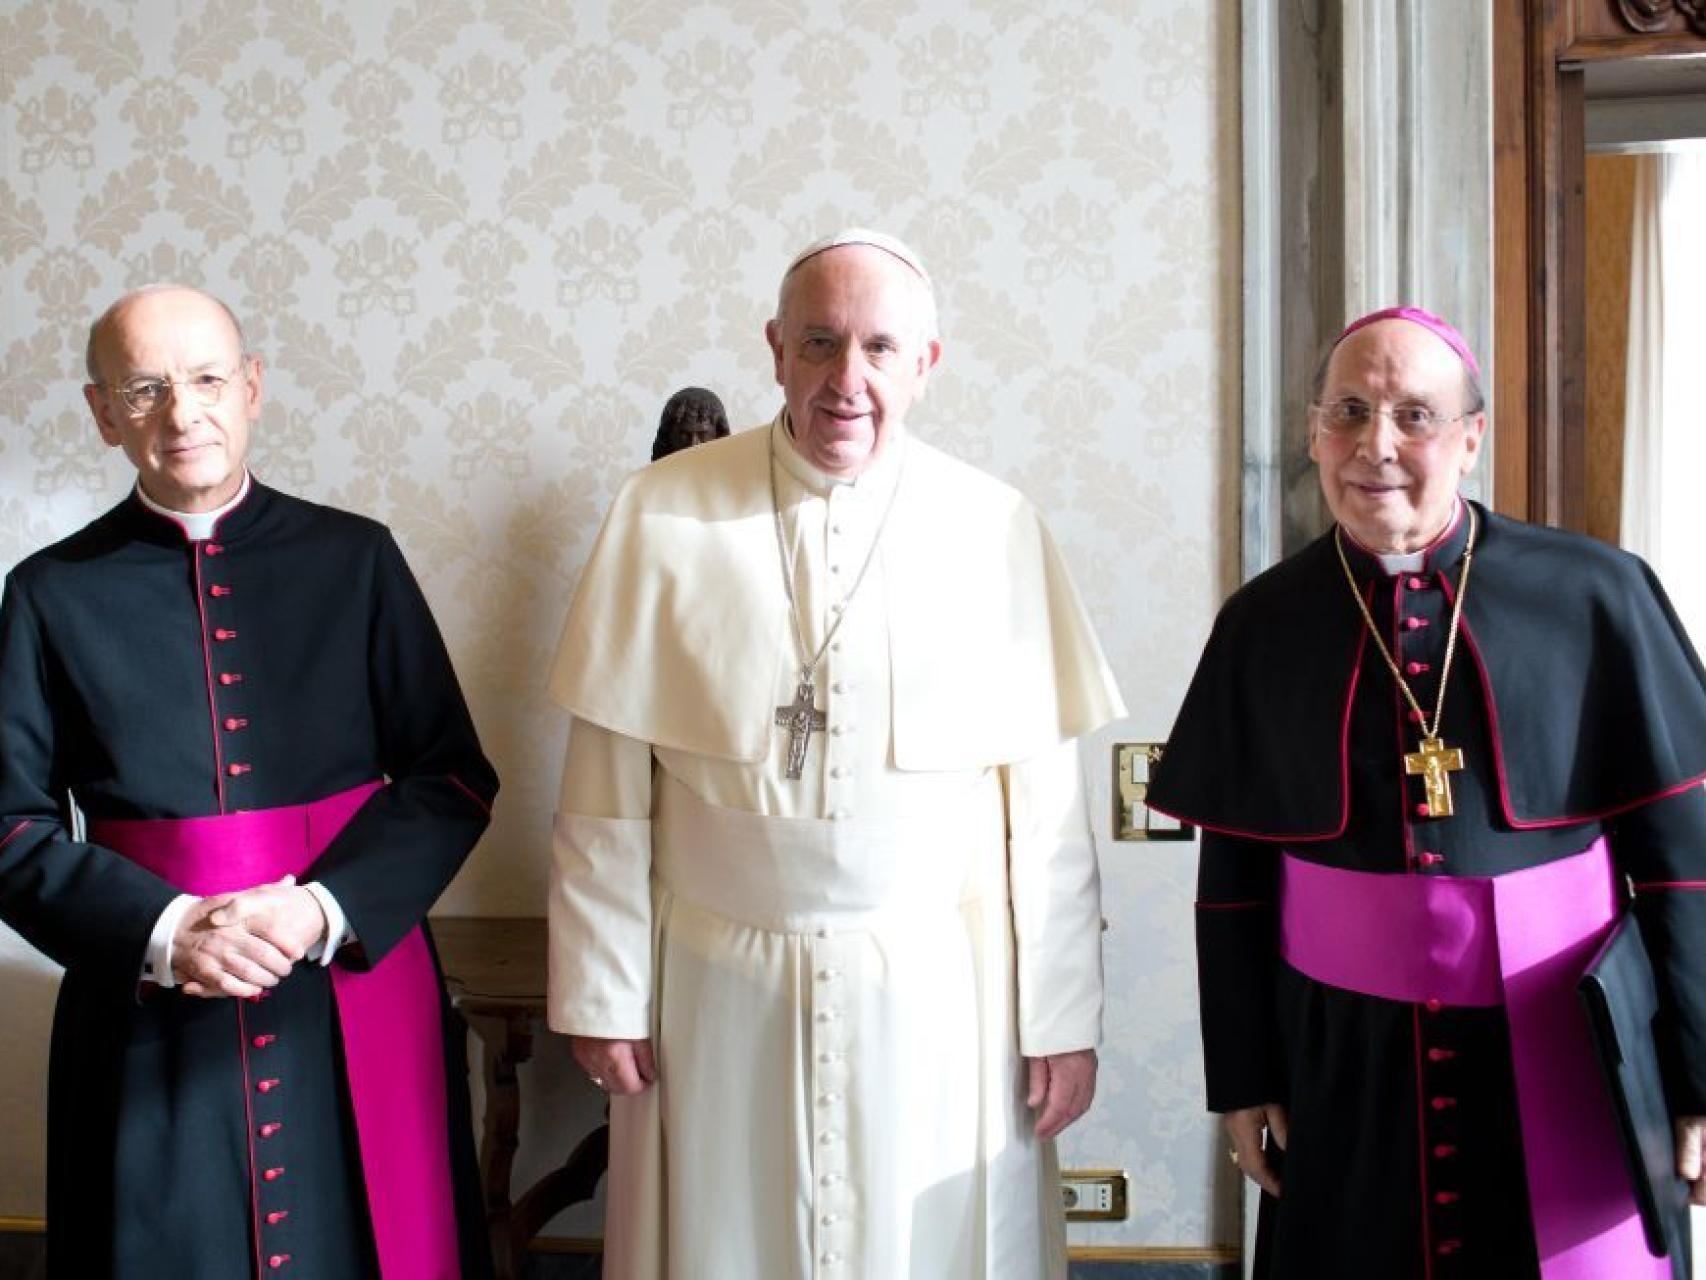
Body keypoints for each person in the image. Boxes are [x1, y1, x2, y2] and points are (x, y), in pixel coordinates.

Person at [545, 229, 1124, 1278]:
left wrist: (1062, 1016)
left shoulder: (994, 526)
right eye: (818, 343)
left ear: (925, 364)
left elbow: (1043, 815)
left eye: (877, 348)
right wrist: (601, 990)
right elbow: (604, 793)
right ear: (773, 349)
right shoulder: (661, 511)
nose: (845, 380)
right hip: (714, 977)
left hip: (944, 986)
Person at [1146, 305, 1706, 1278]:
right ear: (1313, 431)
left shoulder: (1594, 593)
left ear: (1468, 437)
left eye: (1413, 414)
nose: (1376, 445)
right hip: (1344, 1059)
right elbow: (1231, 874)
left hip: (1570, 1038)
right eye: (1349, 411)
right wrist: (1240, 1074)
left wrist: (1700, 1077)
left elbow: (1685, 863)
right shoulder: (1263, 622)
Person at [0, 285, 497, 1279]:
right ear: (103, 413)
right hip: (149, 993)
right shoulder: (50, 592)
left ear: (253, 388)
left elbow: (451, 776)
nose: (182, 414)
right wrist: (168, 928)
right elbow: (9, 827)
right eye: (145, 389)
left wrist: (320, 907)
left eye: (206, 379)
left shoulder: (354, 558)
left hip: (348, 972)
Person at [649, 385, 729, 461]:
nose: (693, 444)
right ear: (668, 435)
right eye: (684, 435)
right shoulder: (656, 474)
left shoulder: (736, 472)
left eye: (702, 434)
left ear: (718, 433)